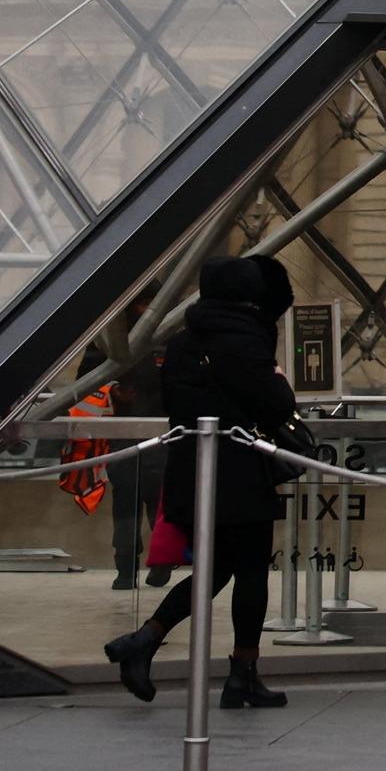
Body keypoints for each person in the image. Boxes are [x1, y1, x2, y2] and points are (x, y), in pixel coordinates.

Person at [100, 255, 303, 709]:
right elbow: (275, 404)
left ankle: (145, 640)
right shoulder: (245, 341)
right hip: (241, 473)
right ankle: (241, 674)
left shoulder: (182, 342)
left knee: (216, 570)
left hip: (193, 470)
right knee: (248, 571)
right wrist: (279, 381)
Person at [82, 293, 167, 591]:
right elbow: (86, 379)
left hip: (162, 431)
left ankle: (162, 561)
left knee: (158, 497)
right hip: (123, 432)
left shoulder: (170, 334)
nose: (147, 310)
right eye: (143, 304)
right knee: (126, 499)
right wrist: (113, 389)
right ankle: (126, 566)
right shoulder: (108, 339)